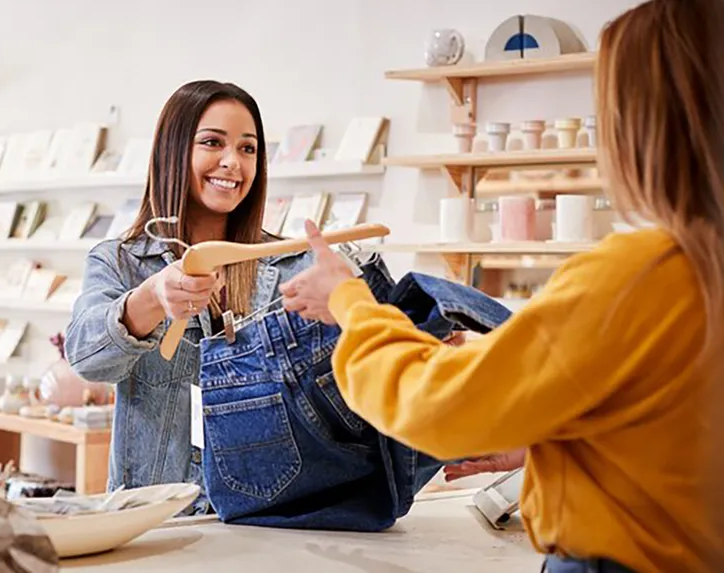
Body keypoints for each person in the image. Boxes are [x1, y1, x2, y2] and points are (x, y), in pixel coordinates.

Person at [278, 0, 724, 571]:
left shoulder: (642, 275)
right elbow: (673, 439)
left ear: (639, 125)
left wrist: (350, 301)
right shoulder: (699, 273)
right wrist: (560, 441)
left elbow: (435, 405)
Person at [63, 80, 314, 510]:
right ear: (173, 151)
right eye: (212, 142)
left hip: (270, 512)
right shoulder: (120, 262)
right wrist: (151, 299)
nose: (232, 162)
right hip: (156, 516)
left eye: (248, 148)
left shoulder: (291, 265)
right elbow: (86, 357)